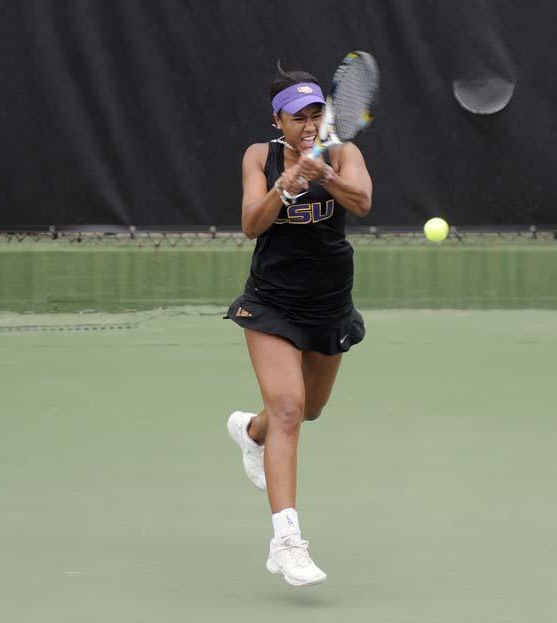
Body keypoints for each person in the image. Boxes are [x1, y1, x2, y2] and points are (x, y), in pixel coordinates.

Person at [225, 64, 372, 587]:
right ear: (278, 121)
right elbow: (250, 225)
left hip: (329, 304)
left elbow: (361, 201)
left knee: (306, 410)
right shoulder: (257, 158)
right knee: (288, 407)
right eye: (298, 116)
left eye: (317, 114)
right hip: (272, 302)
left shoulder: (343, 153)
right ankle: (287, 540)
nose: (310, 125)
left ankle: (250, 431)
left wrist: (323, 174)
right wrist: (284, 189)